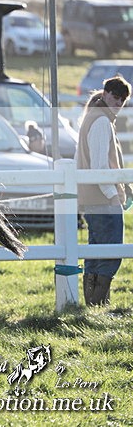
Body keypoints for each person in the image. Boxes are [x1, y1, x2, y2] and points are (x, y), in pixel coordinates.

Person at [76, 75, 132, 306]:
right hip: (102, 197)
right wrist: (113, 196)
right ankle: (99, 302)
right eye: (115, 98)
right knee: (109, 252)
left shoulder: (95, 116)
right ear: (106, 93)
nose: (118, 104)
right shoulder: (100, 121)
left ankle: (93, 303)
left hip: (92, 197)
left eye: (122, 101)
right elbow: (99, 167)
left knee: (97, 250)